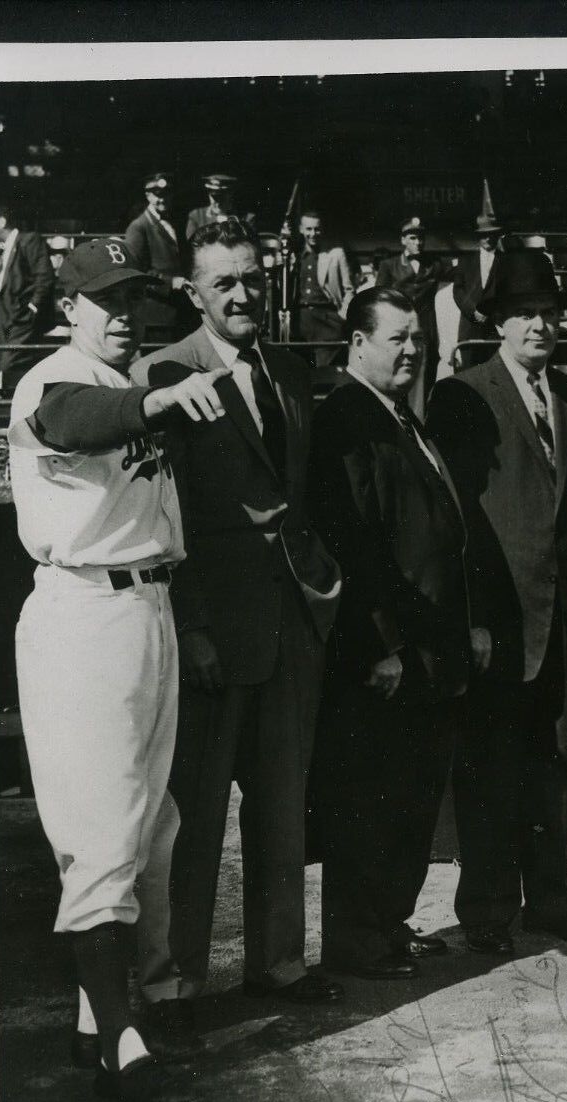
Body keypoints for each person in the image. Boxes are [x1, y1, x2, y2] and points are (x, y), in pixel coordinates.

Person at [7, 236, 232, 1102]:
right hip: (82, 613)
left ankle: (90, 1022)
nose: (125, 314)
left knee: (150, 826)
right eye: (105, 299)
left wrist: (162, 393)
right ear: (70, 308)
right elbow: (72, 422)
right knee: (102, 834)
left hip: (149, 606)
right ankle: (123, 1048)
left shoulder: (132, 379)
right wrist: (160, 396)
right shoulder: (51, 377)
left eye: (135, 298)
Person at [132, 219, 345, 1014]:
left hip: (292, 623)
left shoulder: (286, 370)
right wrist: (189, 627)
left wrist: (323, 590)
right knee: (194, 818)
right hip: (215, 630)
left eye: (252, 277)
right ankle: (179, 981)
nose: (244, 294)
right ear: (193, 292)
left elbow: (305, 496)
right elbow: (161, 511)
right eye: (224, 282)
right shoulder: (165, 372)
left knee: (283, 809)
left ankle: (280, 966)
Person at [427, 250, 567, 955]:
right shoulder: (463, 395)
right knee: (488, 772)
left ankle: (550, 901)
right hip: (498, 625)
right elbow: (454, 520)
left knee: (553, 772)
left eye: (548, 312)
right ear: (499, 323)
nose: (540, 324)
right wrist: (470, 616)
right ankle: (484, 908)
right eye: (523, 313)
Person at [306, 287, 490, 978]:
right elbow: (350, 539)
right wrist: (379, 644)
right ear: (357, 342)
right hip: (386, 653)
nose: (412, 349)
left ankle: (387, 919)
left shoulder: (400, 416)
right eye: (397, 338)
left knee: (410, 794)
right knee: (370, 798)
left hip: (428, 649)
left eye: (417, 338)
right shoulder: (348, 419)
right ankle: (358, 937)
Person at [376, 216, 454, 415]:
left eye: (420, 238)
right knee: (397, 374)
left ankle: (421, 425)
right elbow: (378, 299)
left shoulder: (435, 264)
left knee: (424, 379)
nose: (417, 243)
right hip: (398, 332)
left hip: (426, 333)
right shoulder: (389, 266)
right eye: (412, 238)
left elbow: (460, 275)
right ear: (403, 240)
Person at [0, 204, 55, 386]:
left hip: (21, 319)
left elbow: (44, 277)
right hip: (4, 320)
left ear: (2, 221)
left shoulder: (29, 240)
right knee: (3, 363)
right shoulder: (7, 248)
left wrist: (32, 308)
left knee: (10, 365)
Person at [122, 172, 186, 340]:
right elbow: (136, 271)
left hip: (177, 310)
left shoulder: (175, 222)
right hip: (156, 313)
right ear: (148, 195)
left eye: (167, 194)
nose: (163, 199)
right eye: (158, 195)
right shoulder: (138, 227)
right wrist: (170, 282)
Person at [292, 209, 355, 366]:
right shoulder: (294, 256)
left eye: (317, 229)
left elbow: (349, 290)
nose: (313, 233)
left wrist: (342, 317)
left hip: (327, 321)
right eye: (309, 229)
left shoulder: (335, 254)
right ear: (301, 229)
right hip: (299, 322)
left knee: (324, 371)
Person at [452, 210, 507, 353]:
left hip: (497, 330)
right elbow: (458, 290)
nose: (488, 238)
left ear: (497, 235)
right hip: (470, 330)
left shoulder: (508, 261)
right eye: (484, 234)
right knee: (469, 374)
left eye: (491, 234)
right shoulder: (465, 261)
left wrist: (491, 313)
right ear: (477, 236)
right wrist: (473, 311)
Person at [184, 173, 247, 240]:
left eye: (222, 196)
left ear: (231, 193)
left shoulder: (246, 218)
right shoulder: (197, 216)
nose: (217, 201)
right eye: (213, 196)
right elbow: (192, 245)